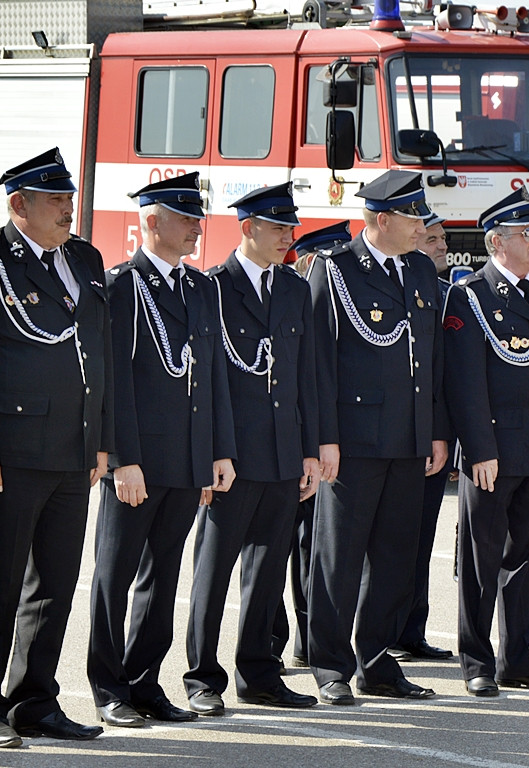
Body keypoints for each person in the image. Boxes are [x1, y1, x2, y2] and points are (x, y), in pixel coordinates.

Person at [89, 173, 236, 728]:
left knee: (163, 576)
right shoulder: (123, 286)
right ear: (153, 221)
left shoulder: (199, 289)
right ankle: (108, 688)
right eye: (186, 217)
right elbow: (116, 381)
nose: (198, 227)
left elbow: (213, 376)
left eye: (198, 216)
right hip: (139, 460)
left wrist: (218, 451)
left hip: (186, 457)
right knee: (115, 575)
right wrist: (123, 457)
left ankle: (145, 681)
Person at [305, 170, 448, 705]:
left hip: (409, 438)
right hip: (354, 439)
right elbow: (318, 361)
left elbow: (431, 359)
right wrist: (324, 438)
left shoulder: (418, 271)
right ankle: (330, 666)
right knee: (339, 558)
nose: (423, 227)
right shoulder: (336, 269)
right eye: (414, 218)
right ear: (382, 219)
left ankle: (378, 661)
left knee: (395, 557)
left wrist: (435, 432)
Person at [182, 183, 321, 715]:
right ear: (248, 229)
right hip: (234, 458)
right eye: (278, 227)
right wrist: (215, 451)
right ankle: (202, 677)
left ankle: (259, 674)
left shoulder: (292, 288)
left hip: (285, 455)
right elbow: (207, 381)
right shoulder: (214, 287)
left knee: (266, 575)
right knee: (214, 575)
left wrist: (308, 451)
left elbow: (304, 374)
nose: (289, 236)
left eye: (291, 227)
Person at [443, 187, 529, 697]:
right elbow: (465, 382)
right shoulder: (470, 295)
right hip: (496, 453)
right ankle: (477, 660)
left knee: (524, 559)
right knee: (481, 561)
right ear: (496, 241)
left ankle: (517, 658)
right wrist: (478, 449)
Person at [0, 148, 113, 746]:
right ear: (19, 204)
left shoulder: (86, 259)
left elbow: (102, 355)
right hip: (15, 448)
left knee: (53, 585)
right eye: (54, 199)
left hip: (74, 450)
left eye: (69, 197)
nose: (68, 208)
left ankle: (34, 701)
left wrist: (104, 441)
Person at [271, 221, 353, 669]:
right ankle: (271, 640)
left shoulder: (313, 302)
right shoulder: (295, 296)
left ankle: (306, 636)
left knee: (308, 547)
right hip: (284, 448)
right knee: (274, 550)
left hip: (312, 446)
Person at [391, 210, 455, 662]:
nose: (440, 247)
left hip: (430, 437)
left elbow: (446, 376)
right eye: (431, 238)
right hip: (390, 437)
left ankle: (411, 629)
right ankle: (378, 633)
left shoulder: (448, 294)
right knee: (385, 544)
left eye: (443, 240)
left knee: (418, 542)